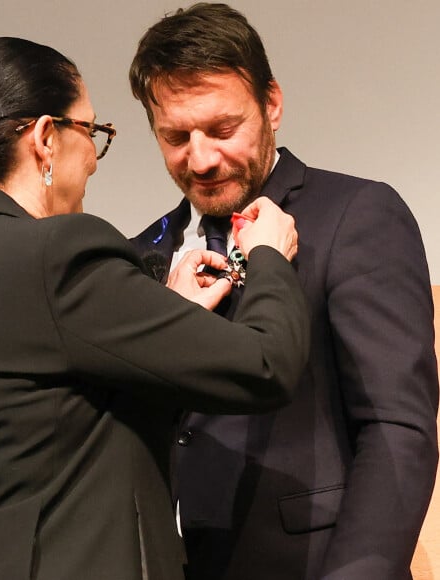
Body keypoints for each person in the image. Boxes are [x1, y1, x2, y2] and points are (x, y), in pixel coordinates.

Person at [0, 36, 309, 580]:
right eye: (92, 132)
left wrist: (167, 315)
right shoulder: (56, 253)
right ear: (45, 138)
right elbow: (265, 364)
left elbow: (51, 420)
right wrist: (268, 254)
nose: (95, 162)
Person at [129, 3, 439, 579]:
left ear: (272, 104)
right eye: (176, 135)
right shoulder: (139, 254)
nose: (200, 158)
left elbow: (398, 430)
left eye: (223, 129)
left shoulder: (357, 215)